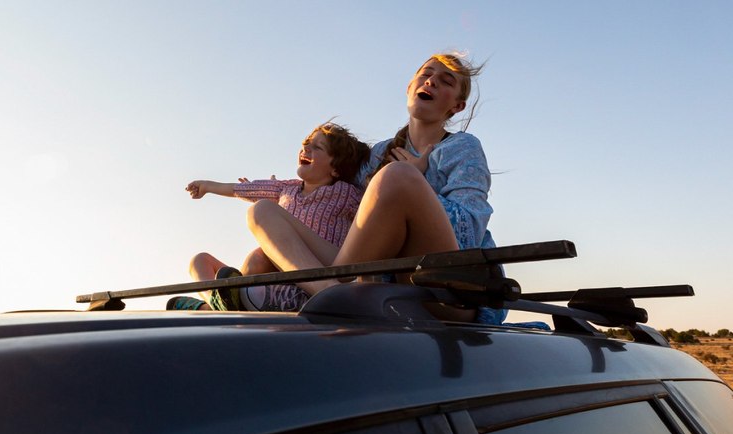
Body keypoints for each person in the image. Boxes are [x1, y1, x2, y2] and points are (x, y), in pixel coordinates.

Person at [246, 52, 505, 324]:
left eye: (446, 81)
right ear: (409, 87)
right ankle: (327, 293)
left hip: (442, 288)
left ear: (457, 106)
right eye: (426, 74)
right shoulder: (378, 154)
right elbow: (339, 198)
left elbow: (470, 230)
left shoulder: (462, 147)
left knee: (398, 176)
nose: (432, 82)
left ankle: (331, 290)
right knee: (261, 212)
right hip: (367, 275)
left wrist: (415, 184)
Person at [172, 122, 370, 311]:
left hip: (325, 264)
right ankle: (217, 303)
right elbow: (240, 189)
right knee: (200, 261)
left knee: (260, 214)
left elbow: (374, 208)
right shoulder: (286, 188)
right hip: (280, 270)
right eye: (305, 144)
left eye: (317, 147)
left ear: (335, 168)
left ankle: (326, 293)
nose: (306, 148)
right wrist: (206, 186)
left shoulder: (347, 193)